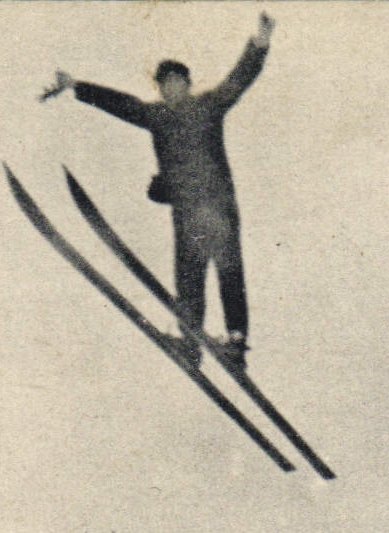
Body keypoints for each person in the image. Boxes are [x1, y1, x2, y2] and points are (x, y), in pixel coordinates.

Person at [47, 12, 276, 366]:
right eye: (162, 84)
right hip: (186, 210)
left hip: (216, 206)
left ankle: (236, 340)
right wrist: (77, 86)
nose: (168, 89)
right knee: (188, 274)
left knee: (228, 269)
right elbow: (122, 104)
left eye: (174, 82)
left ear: (187, 82)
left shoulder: (208, 106)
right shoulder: (157, 117)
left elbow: (239, 78)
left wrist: (259, 43)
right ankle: (191, 341)